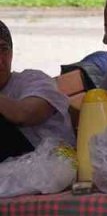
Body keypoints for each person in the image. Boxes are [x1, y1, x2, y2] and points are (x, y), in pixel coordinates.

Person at [0, 19, 75, 161]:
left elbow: (24, 114)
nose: (0, 61)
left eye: (4, 49)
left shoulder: (35, 80)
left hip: (54, 170)